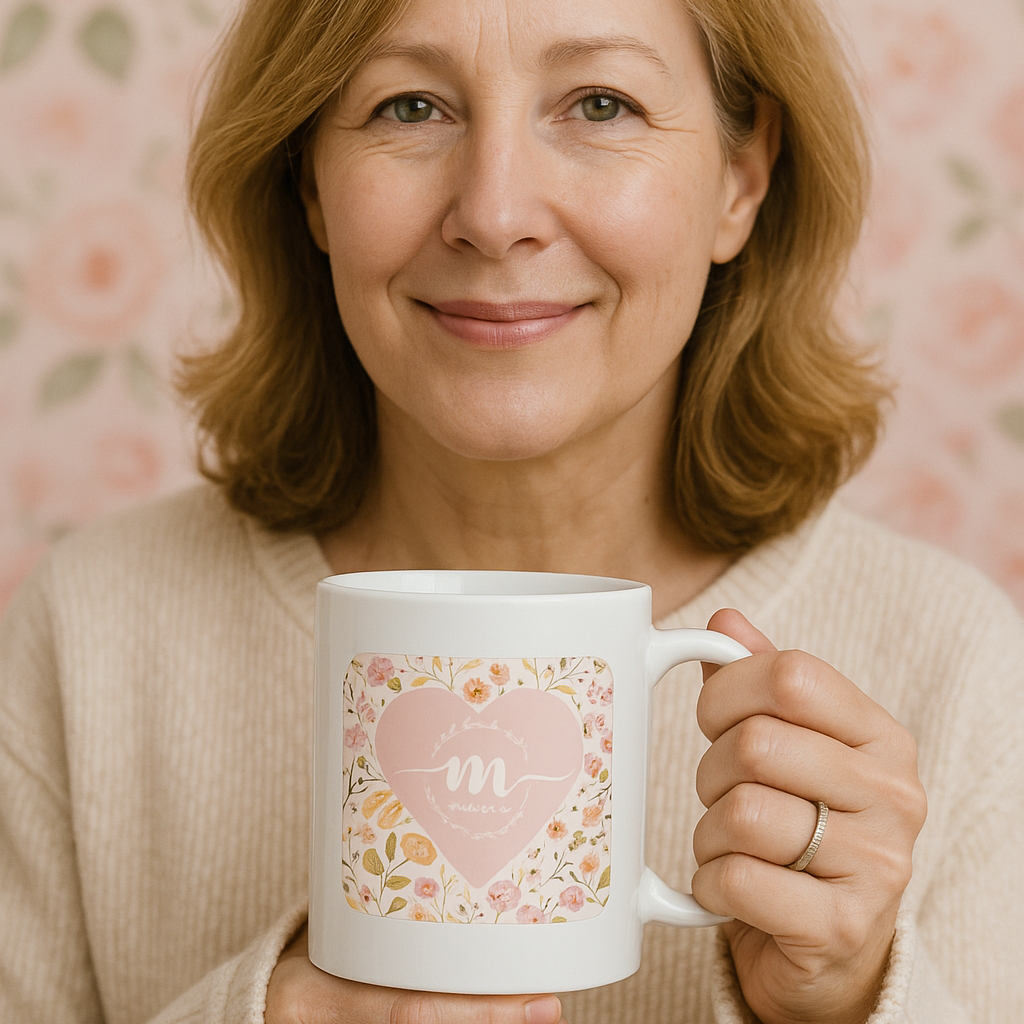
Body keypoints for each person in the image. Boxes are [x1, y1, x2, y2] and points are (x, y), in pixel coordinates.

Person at [1, 0, 1022, 1020]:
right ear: (310, 180)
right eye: (409, 106)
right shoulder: (86, 635)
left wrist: (846, 999)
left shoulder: (954, 663)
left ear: (740, 178)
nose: (493, 214)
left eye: (601, 104)